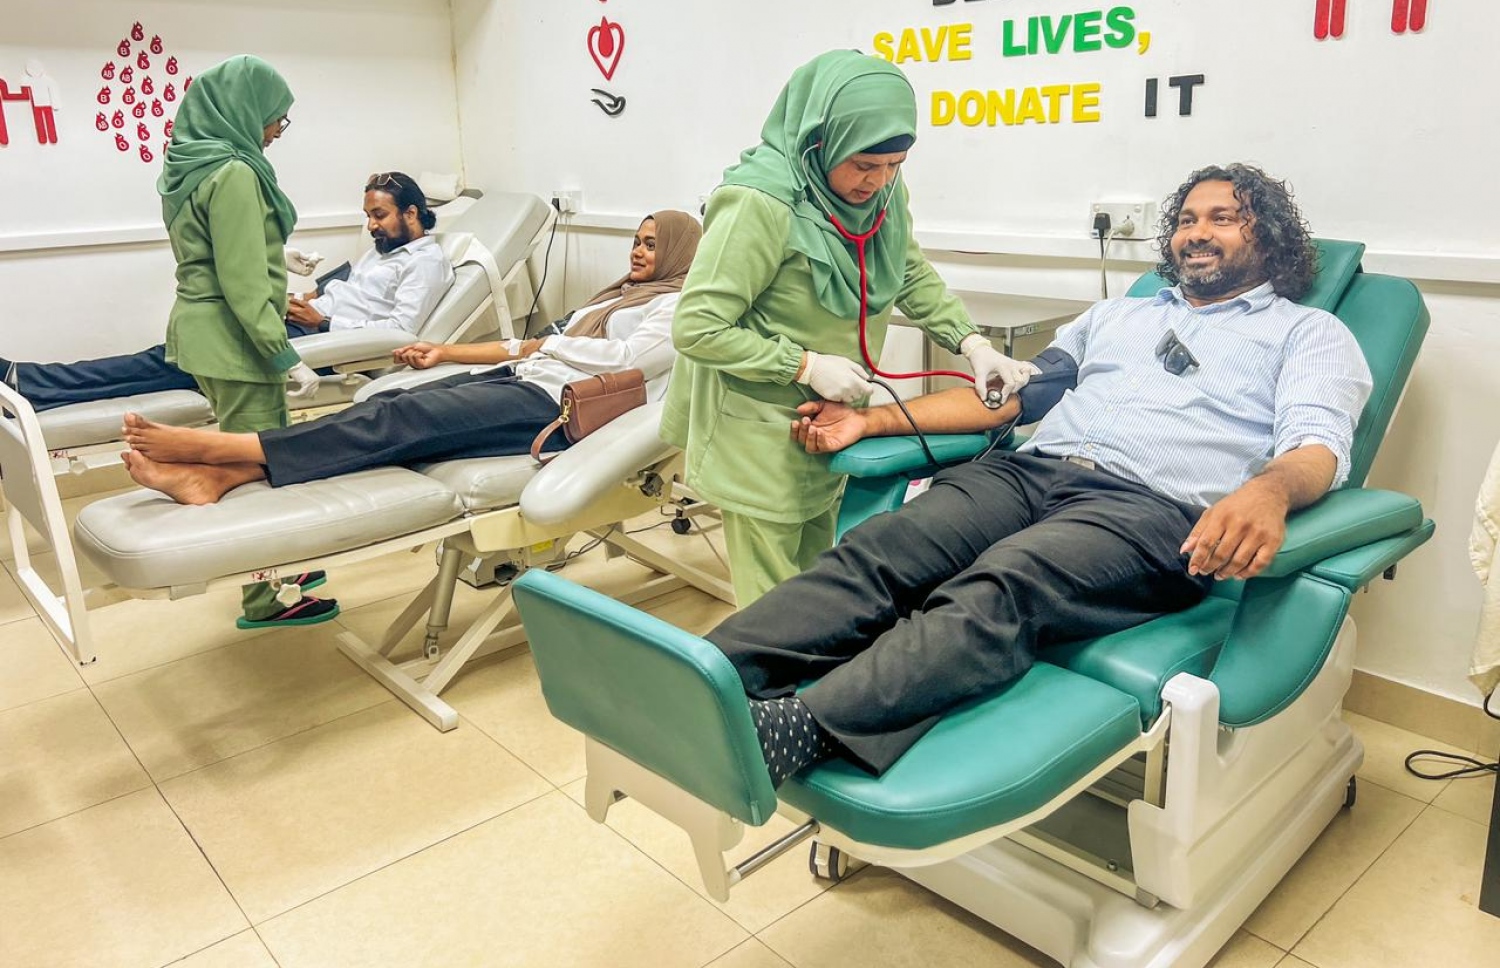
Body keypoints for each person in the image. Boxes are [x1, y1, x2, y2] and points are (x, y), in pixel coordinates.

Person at [701, 163, 1373, 786]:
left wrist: (1267, 492)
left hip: (1148, 511)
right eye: (1188, 219)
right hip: (1029, 474)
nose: (1198, 232)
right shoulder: (1119, 314)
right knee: (882, 547)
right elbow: (1015, 396)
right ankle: (708, 673)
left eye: (1224, 218)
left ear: (1269, 238)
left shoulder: (1307, 332)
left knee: (1006, 583)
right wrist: (871, 420)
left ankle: (801, 729)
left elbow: (1317, 447)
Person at [660, 50, 1033, 606]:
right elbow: (697, 326)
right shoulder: (758, 204)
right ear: (820, 140)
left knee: (817, 586)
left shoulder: (883, 194)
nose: (878, 181)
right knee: (771, 608)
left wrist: (971, 342)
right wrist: (805, 365)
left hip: (831, 420)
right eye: (864, 164)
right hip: (757, 430)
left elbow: (908, 271)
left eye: (894, 165)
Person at [115, 212, 702, 504]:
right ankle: (224, 476)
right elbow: (520, 346)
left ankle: (223, 449)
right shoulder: (616, 296)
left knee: (402, 419)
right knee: (394, 399)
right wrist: (448, 352)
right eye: (636, 240)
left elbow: (629, 358)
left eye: (651, 244)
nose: (637, 251)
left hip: (560, 410)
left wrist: (545, 344)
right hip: (525, 380)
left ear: (680, 252)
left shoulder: (677, 305)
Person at [1, 172, 454, 412]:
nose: (370, 225)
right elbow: (354, 291)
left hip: (326, 345)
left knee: (172, 362)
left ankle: (33, 384)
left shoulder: (426, 262)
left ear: (412, 213)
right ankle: (37, 387)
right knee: (174, 357)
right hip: (302, 325)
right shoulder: (382, 250)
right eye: (368, 215)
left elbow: (401, 332)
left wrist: (324, 323)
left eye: (379, 216)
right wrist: (309, 299)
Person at [153, 53, 336, 629]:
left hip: (202, 330)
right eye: (275, 116)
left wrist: (276, 251)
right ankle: (265, 598)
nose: (278, 128)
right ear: (245, 108)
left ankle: (283, 570)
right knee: (256, 465)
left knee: (250, 454)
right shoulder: (234, 172)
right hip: (235, 340)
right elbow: (241, 284)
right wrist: (285, 356)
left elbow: (212, 246)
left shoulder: (190, 161)